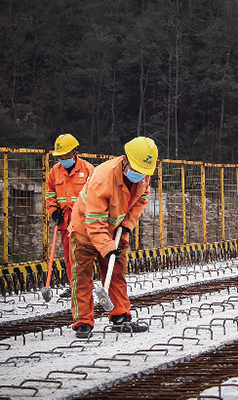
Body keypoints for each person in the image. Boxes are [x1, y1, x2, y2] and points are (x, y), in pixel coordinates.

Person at [68, 137, 157, 339]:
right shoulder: (104, 178)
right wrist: (106, 248)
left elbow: (141, 199)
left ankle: (120, 316)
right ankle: (83, 321)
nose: (139, 174)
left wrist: (127, 224)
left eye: (143, 171)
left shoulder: (143, 175)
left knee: (116, 272)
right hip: (86, 230)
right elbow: (95, 221)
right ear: (125, 160)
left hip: (115, 230)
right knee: (82, 277)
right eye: (136, 168)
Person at [45, 134, 94, 298]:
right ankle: (75, 287)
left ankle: (84, 287)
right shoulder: (54, 171)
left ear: (75, 152)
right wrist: (53, 212)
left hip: (84, 223)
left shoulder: (88, 169)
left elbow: (96, 195)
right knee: (69, 257)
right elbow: (50, 194)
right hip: (65, 223)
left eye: (65, 155)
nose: (63, 159)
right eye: (60, 156)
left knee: (83, 257)